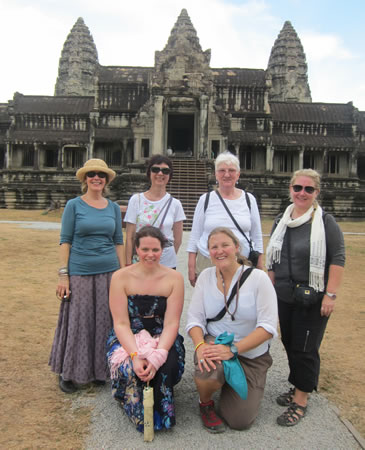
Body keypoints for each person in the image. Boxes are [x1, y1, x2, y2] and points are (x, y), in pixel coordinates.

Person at [266, 169, 345, 427]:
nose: (302, 193)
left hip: (313, 296)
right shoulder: (282, 221)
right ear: (290, 189)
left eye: (308, 189)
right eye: (297, 188)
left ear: (316, 193)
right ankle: (300, 384)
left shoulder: (325, 223)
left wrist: (330, 295)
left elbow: (338, 259)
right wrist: (269, 280)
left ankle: (301, 400)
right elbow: (273, 257)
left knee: (306, 347)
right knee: (290, 342)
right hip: (285, 295)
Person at [186, 227, 278, 433]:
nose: (220, 251)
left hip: (250, 353)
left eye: (225, 245)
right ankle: (206, 402)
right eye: (214, 247)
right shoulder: (206, 277)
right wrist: (200, 346)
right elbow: (194, 319)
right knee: (208, 375)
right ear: (208, 252)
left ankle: (231, 383)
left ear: (237, 247)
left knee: (239, 421)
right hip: (216, 343)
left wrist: (234, 350)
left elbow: (268, 327)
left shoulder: (258, 279)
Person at [49, 158, 125, 393]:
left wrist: (122, 275)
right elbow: (66, 240)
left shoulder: (113, 207)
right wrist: (64, 275)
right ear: (85, 178)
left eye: (101, 175)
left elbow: (118, 242)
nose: (96, 178)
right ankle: (70, 372)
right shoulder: (74, 205)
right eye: (92, 174)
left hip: (108, 272)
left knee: (105, 321)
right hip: (80, 271)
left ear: (106, 180)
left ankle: (100, 370)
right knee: (79, 322)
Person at [107, 226, 185, 432]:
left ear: (162, 250)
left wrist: (159, 353)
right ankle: (136, 408)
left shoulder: (174, 279)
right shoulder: (120, 277)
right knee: (133, 371)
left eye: (155, 250)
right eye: (145, 250)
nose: (150, 255)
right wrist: (135, 354)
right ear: (136, 250)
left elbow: (171, 323)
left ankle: (160, 414)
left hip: (163, 334)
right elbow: (121, 323)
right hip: (129, 335)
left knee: (166, 366)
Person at [187, 151, 263, 287]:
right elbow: (195, 235)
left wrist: (260, 265)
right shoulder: (206, 199)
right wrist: (191, 266)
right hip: (208, 259)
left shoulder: (249, 200)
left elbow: (257, 236)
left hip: (241, 260)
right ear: (216, 174)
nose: (227, 174)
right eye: (222, 170)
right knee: (210, 303)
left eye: (231, 170)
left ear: (238, 174)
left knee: (240, 302)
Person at [124, 154, 185, 268]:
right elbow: (130, 236)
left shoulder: (175, 204)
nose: (160, 174)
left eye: (165, 171)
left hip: (166, 260)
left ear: (169, 175)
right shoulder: (136, 200)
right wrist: (128, 263)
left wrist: (165, 254)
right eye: (155, 169)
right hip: (141, 258)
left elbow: (178, 239)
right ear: (149, 173)